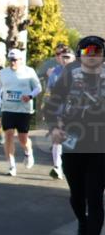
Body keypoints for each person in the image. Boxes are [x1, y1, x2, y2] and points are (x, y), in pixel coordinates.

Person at [45, 35, 105, 235]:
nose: (92, 56)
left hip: (100, 145)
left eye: (97, 51)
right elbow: (51, 107)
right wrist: (54, 128)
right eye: (87, 51)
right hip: (72, 143)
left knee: (95, 196)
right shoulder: (69, 75)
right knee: (77, 195)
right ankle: (82, 221)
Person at [0, 49, 42, 176]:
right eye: (10, 60)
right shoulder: (3, 73)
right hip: (7, 109)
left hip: (23, 109)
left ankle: (28, 152)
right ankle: (11, 165)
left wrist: (30, 96)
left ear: (21, 60)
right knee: (9, 135)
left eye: (15, 60)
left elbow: (38, 87)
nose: (12, 62)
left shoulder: (29, 71)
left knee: (23, 138)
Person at [46, 45, 74, 179]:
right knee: (57, 138)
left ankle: (71, 165)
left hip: (76, 114)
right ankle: (57, 167)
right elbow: (49, 91)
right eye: (62, 57)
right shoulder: (55, 73)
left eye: (67, 57)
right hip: (58, 111)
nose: (64, 60)